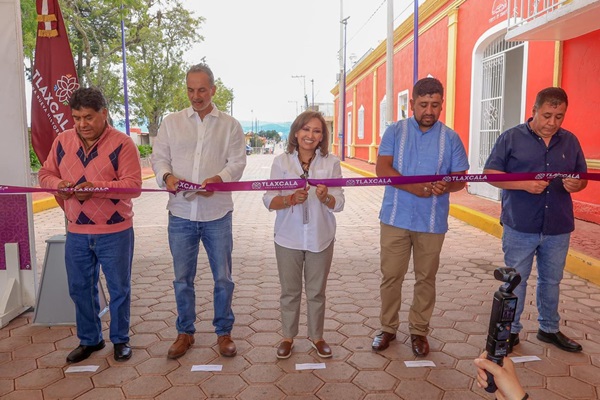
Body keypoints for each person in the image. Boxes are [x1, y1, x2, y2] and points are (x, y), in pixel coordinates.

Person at [39, 87, 142, 363]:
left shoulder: (123, 144)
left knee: (119, 288)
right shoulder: (62, 141)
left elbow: (133, 187)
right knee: (79, 287)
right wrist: (58, 184)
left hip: (116, 231)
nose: (82, 124)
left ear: (104, 114)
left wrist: (96, 188)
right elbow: (45, 173)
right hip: (76, 232)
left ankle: (120, 340)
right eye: (76, 118)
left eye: (88, 117)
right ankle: (90, 340)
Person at [151, 63, 246, 359]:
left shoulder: (230, 125)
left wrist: (220, 180)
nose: (196, 95)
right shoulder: (171, 122)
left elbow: (237, 163)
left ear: (213, 90)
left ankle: (223, 332)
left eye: (202, 89)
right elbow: (159, 158)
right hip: (180, 213)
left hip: (217, 213)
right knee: (182, 278)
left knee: (223, 278)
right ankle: (185, 332)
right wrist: (166, 177)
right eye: (191, 89)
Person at [483, 87, 587, 353]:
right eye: (547, 115)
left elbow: (582, 177)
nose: (552, 123)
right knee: (516, 281)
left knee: (551, 281)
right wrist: (523, 184)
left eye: (559, 117)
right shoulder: (511, 138)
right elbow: (491, 174)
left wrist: (577, 185)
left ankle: (549, 329)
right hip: (521, 225)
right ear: (534, 111)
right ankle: (510, 332)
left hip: (558, 226)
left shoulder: (570, 141)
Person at [372, 77, 470, 356]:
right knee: (391, 276)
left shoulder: (451, 138)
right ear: (412, 104)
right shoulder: (394, 131)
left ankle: (419, 331)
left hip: (432, 221)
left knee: (426, 278)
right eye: (423, 104)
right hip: (395, 218)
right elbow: (382, 168)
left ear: (442, 105)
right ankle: (388, 328)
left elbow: (460, 178)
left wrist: (446, 185)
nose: (429, 110)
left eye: (435, 105)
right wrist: (415, 188)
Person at [263, 111, 344, 359]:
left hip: (321, 237)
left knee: (317, 291)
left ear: (322, 136)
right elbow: (267, 198)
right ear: (296, 132)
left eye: (317, 131)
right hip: (288, 237)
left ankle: (316, 337)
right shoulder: (281, 162)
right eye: (306, 129)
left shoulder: (331, 163)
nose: (310, 135)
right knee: (290, 291)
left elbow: (339, 202)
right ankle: (288, 336)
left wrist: (325, 197)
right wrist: (288, 200)